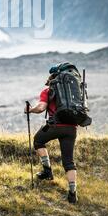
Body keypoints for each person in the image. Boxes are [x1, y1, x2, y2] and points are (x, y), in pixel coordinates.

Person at [25, 67, 78, 204]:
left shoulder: (48, 91)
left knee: (38, 141)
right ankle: (72, 193)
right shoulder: (74, 91)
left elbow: (41, 108)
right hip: (71, 129)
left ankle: (47, 171)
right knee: (68, 161)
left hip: (56, 126)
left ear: (51, 78)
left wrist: (30, 110)